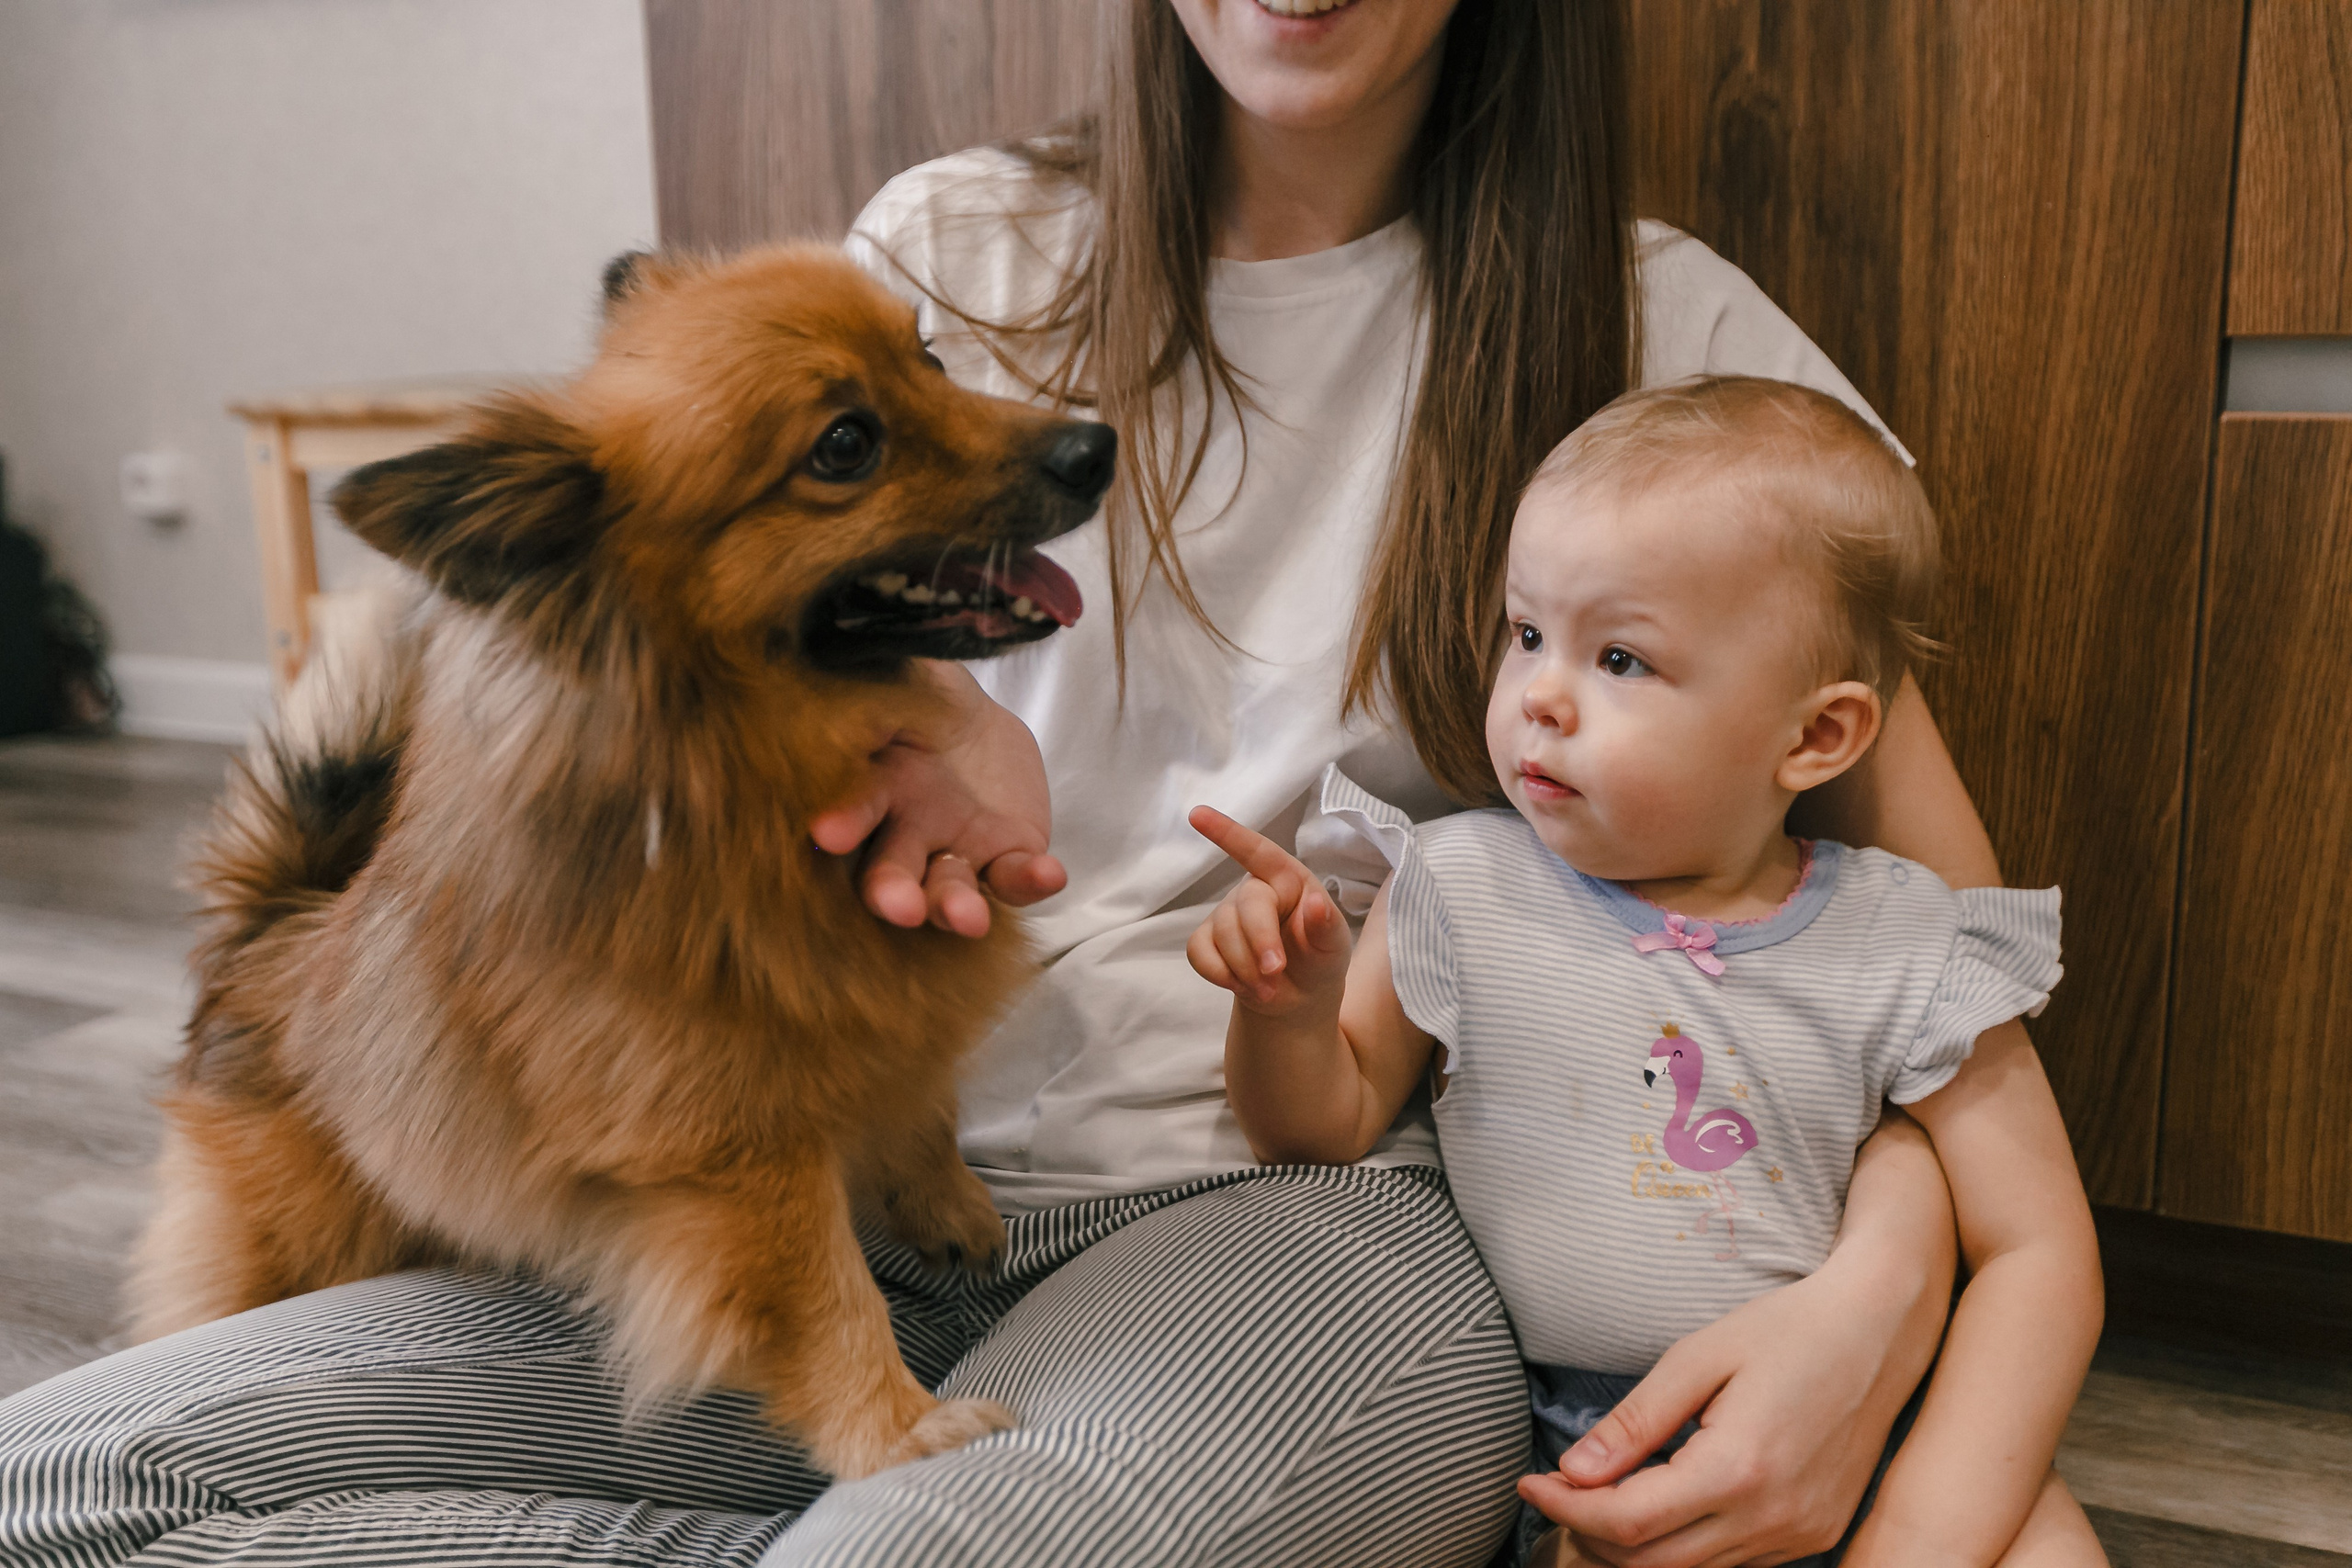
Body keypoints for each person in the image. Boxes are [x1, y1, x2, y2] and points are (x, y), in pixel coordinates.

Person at [0, 4, 2013, 1564]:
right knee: (62, 1481)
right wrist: (944, 714)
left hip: (1304, 1213)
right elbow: (638, 679)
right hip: (840, 1207)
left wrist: (1883, 1295)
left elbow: (1938, 948)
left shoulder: (1660, 329)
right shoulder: (946, 248)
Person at [1186, 376, 2106, 1567]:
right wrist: (1287, 1011)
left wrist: (1918, 1531)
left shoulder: (1903, 941)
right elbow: (1322, 1126)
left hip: (1876, 1419)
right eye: (1528, 635)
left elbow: (2040, 1253)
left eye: (1619, 658)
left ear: (1814, 737)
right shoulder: (1457, 886)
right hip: (1599, 1443)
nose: (1541, 697)